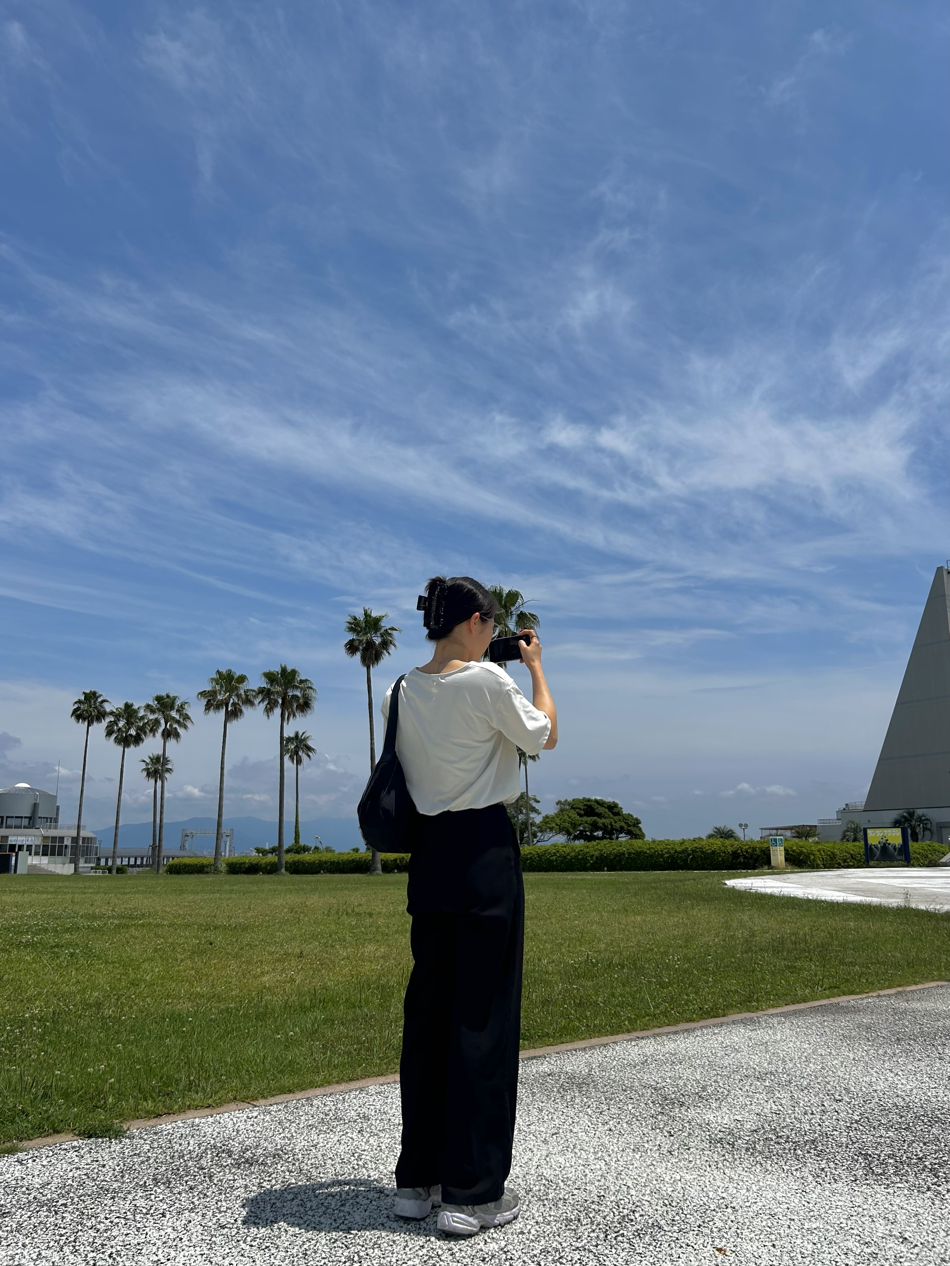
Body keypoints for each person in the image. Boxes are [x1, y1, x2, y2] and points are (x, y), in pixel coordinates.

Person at [386, 575, 557, 1238]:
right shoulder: (489, 682)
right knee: (481, 1015)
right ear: (476, 622)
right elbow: (544, 735)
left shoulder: (400, 689)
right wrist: (535, 668)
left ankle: (418, 1180)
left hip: (428, 855)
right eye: (492, 623)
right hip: (482, 849)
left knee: (428, 1013)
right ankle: (473, 1192)